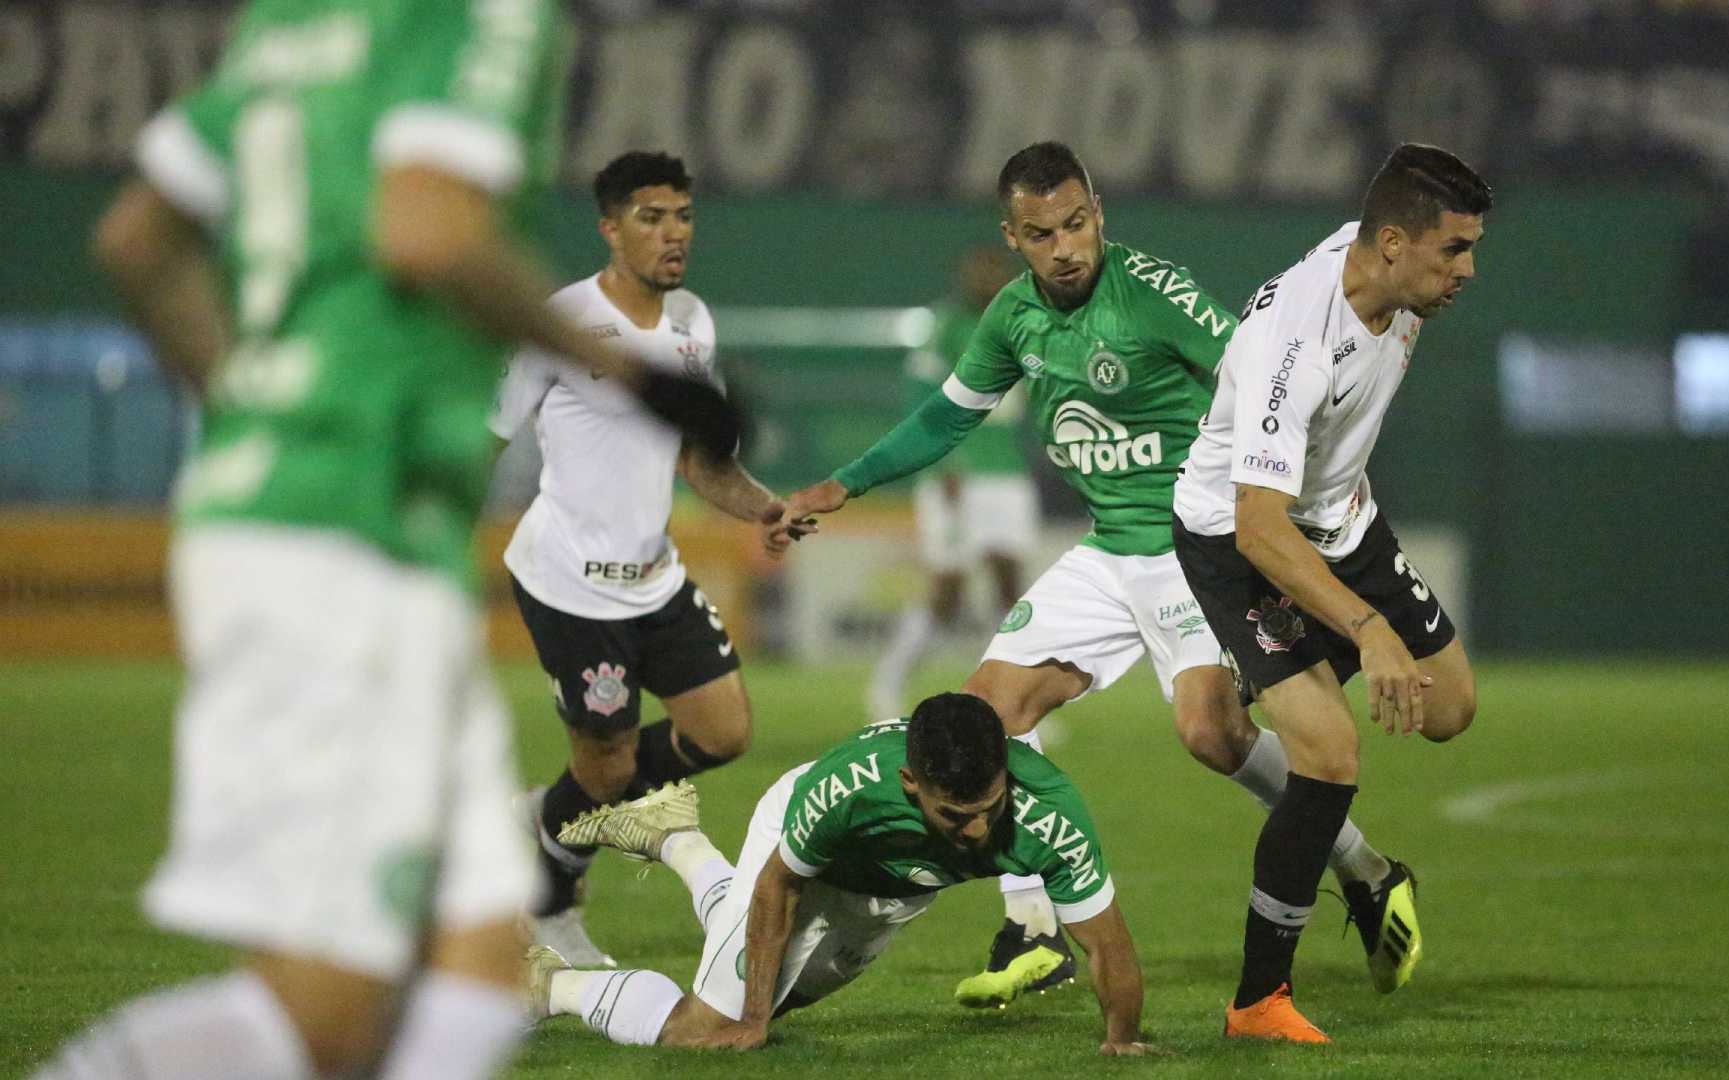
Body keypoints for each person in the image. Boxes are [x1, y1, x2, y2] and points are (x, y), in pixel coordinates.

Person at [34, 4, 737, 1078]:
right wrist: (646, 384)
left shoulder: (288, 23)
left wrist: (250, 410)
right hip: (343, 529)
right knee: (327, 1013)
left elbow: (136, 238)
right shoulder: (481, 16)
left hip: (313, 517)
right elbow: (429, 227)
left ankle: (588, 960)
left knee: (475, 954)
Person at [773, 142, 1416, 1010]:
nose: (1065, 247)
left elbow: (1266, 379)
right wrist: (842, 483)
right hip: (1110, 550)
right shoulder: (1010, 318)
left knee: (1211, 737)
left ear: (1099, 212)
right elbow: (943, 419)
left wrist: (1301, 506)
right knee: (985, 711)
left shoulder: (1153, 294)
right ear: (1014, 236)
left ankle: (1367, 871)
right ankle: (1033, 929)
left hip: (1196, 548)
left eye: (1077, 224)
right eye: (1042, 234)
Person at [1170, 143, 1491, 1042]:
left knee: (1451, 709)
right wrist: (1367, 630)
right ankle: (1258, 1002)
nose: (1467, 270)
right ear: (1393, 242)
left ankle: (1265, 686)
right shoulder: (1295, 350)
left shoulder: (1386, 269)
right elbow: (1256, 527)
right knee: (1330, 751)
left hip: (1346, 525)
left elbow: (1401, 180)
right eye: (1453, 250)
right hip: (1242, 541)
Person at [490, 150, 783, 969]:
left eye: (683, 215)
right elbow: (486, 436)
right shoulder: (560, 322)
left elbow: (699, 461)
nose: (673, 233)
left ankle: (551, 807)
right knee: (610, 765)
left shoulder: (693, 322)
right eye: (651, 218)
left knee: (724, 732)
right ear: (609, 228)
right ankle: (552, 909)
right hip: (570, 585)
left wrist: (766, 507)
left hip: (654, 579)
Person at [527, 692, 1158, 1055]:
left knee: (780, 996)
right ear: (911, 784)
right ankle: (545, 984)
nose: (976, 833)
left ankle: (677, 839)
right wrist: (748, 1020)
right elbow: (779, 887)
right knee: (710, 1026)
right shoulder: (849, 789)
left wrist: (1121, 1038)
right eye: (954, 816)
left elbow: (1105, 943)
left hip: (896, 892)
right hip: (804, 857)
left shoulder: (1051, 814)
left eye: (989, 810)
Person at [866, 245, 1038, 721]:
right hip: (957, 475)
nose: (987, 279)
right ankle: (888, 682)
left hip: (1008, 473)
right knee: (949, 589)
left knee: (1010, 586)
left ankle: (1008, 698)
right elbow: (919, 397)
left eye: (995, 270)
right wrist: (943, 462)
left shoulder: (1023, 324)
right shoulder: (946, 326)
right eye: (979, 269)